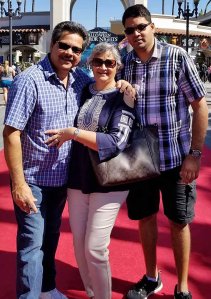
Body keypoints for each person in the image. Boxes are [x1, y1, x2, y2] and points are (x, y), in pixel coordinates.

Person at [3, 21, 134, 299]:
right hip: (34, 181)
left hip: (63, 181)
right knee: (31, 246)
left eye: (76, 49)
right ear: (52, 44)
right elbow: (11, 133)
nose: (69, 53)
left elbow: (104, 83)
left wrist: (120, 82)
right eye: (63, 45)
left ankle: (47, 289)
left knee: (49, 241)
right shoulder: (29, 80)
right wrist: (19, 183)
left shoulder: (80, 80)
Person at [118, 4, 209, 299]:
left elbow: (199, 105)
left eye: (141, 26)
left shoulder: (176, 56)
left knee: (179, 221)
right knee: (145, 218)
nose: (136, 33)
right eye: (130, 30)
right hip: (140, 159)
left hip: (176, 157)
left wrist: (195, 154)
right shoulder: (125, 62)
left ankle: (181, 287)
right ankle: (151, 276)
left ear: (152, 26)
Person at [44, 42, 135, 299]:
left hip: (109, 180)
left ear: (118, 66)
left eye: (110, 63)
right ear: (90, 64)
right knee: (78, 244)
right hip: (77, 177)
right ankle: (93, 293)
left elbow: (116, 141)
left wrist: (74, 133)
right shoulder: (83, 90)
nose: (103, 67)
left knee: (95, 248)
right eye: (98, 62)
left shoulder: (124, 96)